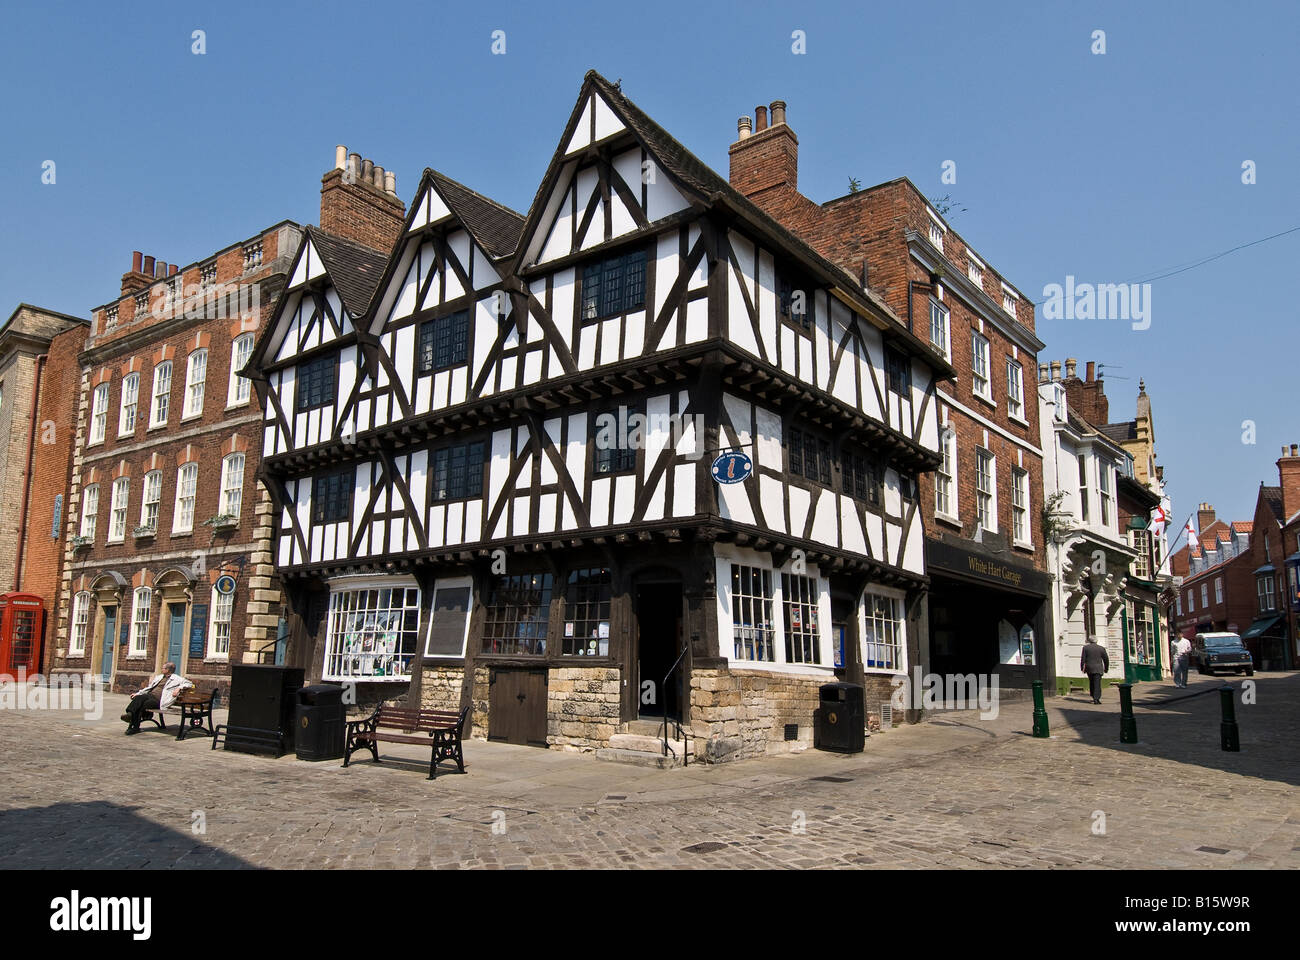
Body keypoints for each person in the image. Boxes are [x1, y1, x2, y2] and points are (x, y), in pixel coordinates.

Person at [121, 662, 193, 734]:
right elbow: (149, 688)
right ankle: (133, 719)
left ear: (168, 670)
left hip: (159, 701)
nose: (161, 669)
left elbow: (189, 683)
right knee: (139, 700)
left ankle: (132, 720)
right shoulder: (159, 677)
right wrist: (137, 693)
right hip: (150, 696)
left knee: (139, 704)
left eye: (163, 668)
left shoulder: (177, 679)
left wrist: (179, 688)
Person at [1080, 636, 1110, 704]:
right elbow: (1106, 659)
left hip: (1089, 668)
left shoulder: (1086, 648)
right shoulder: (1101, 648)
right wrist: (1106, 668)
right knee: (1097, 683)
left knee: (1091, 682)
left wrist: (1082, 667)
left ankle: (1093, 695)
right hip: (1098, 668)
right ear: (1096, 641)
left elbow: (1083, 659)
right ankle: (1096, 698)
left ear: (1089, 641)